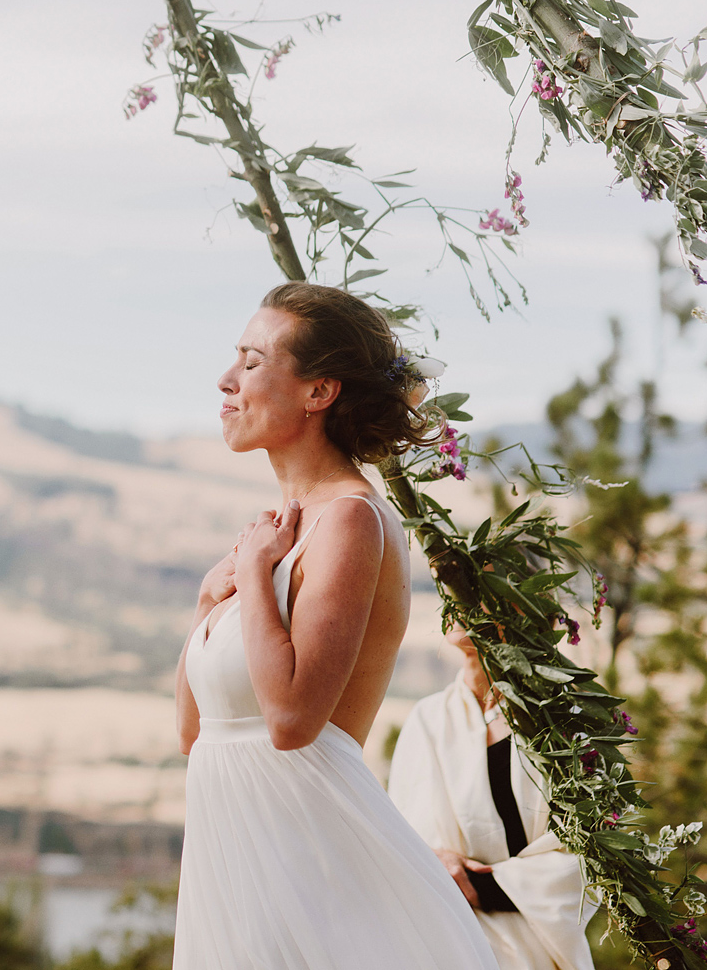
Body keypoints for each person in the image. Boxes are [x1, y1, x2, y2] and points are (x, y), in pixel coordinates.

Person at [171, 282, 498, 969]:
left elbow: (291, 720)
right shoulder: (272, 533)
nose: (227, 379)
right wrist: (210, 601)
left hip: (316, 868)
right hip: (241, 875)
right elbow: (195, 736)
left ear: (319, 392)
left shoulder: (349, 520)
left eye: (253, 362)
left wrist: (257, 579)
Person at [389, 628, 597, 970]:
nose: (459, 602)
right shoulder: (428, 719)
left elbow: (587, 859)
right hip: (442, 943)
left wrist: (472, 883)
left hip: (532, 950)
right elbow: (399, 836)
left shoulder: (562, 722)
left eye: (478, 580)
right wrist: (429, 861)